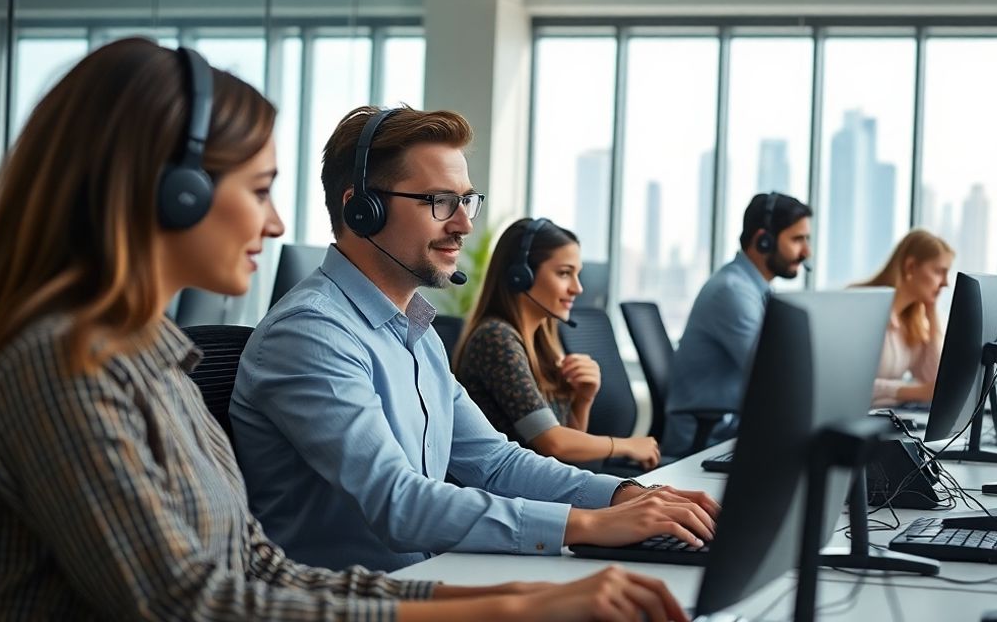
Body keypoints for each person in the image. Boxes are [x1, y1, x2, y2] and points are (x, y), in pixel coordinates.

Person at [0, 40, 687, 621]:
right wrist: (511, 605)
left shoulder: (153, 364)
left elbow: (255, 563)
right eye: (257, 190)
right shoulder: (60, 371)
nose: (277, 222)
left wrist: (510, 594)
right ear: (172, 194)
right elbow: (192, 602)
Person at [231, 106, 717, 573]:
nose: (464, 224)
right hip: (355, 604)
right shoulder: (312, 333)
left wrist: (622, 496)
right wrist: (589, 525)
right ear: (362, 209)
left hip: (436, 579)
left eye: (466, 201)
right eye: (440, 202)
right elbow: (398, 502)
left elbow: (494, 462)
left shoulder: (417, 334)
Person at [454, 217, 660, 469]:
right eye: (564, 273)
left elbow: (565, 456)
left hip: (543, 487)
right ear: (520, 276)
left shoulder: (544, 341)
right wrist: (627, 445)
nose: (578, 288)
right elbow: (553, 444)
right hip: (511, 496)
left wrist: (583, 399)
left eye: (577, 275)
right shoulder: (496, 338)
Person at [663, 192, 813, 458]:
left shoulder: (756, 290)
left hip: (732, 429)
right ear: (763, 240)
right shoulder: (732, 292)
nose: (806, 252)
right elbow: (774, 373)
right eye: (797, 239)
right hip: (707, 440)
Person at [855, 228, 955, 407]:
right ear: (910, 267)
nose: (946, 283)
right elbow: (847, 384)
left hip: (884, 420)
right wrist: (912, 391)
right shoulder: (860, 308)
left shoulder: (911, 321)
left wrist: (932, 314)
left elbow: (934, 381)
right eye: (939, 271)